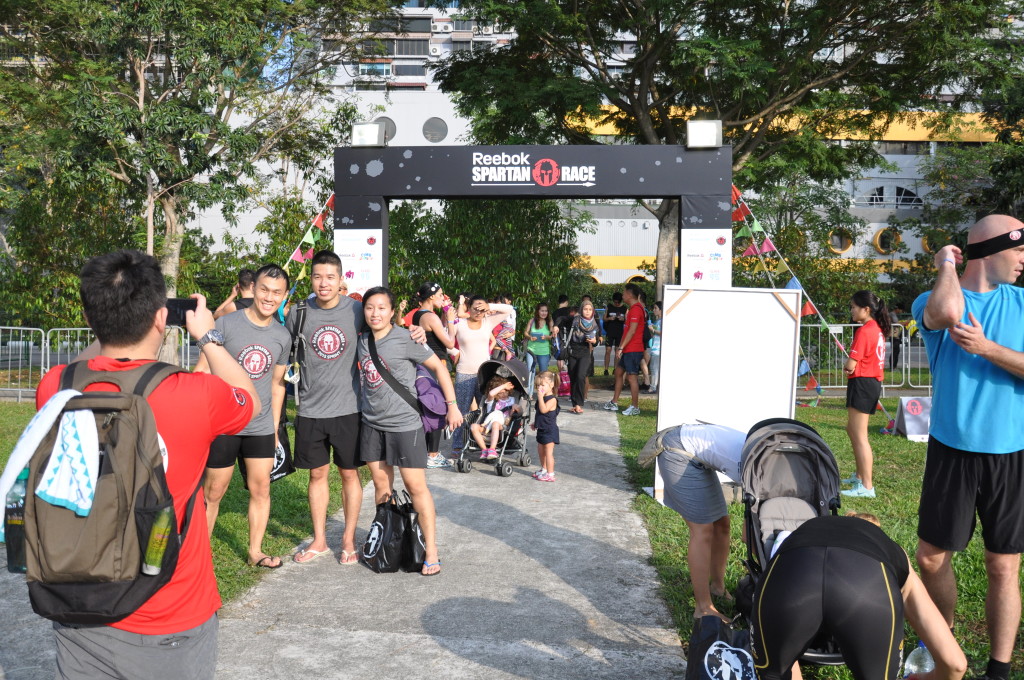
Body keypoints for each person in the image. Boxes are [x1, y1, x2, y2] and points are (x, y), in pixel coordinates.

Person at [36, 250, 258, 679]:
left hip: (79, 601)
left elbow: (83, 364)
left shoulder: (55, 388)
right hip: (168, 609)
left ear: (90, 315)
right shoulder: (195, 394)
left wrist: (109, 322)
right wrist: (207, 337)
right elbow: (246, 397)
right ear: (162, 317)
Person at [911, 214, 1024, 680]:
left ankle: (998, 670)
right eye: (1017, 250)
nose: (1023, 261)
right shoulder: (935, 295)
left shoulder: (1021, 303)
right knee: (931, 558)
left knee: (1002, 565)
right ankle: (945, 647)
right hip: (951, 449)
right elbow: (943, 314)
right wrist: (946, 265)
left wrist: (988, 348)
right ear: (989, 250)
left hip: (1010, 452)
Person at [751, 513, 967, 680]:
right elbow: (955, 665)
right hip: (867, 583)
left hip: (790, 574)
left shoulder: (801, 534)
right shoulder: (895, 554)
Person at [358, 287, 463, 576]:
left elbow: (440, 369)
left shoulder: (407, 338)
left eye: (382, 308)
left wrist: (452, 406)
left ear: (393, 312)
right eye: (369, 307)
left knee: (416, 487)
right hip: (372, 425)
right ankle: (388, 540)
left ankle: (431, 551)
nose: (375, 313)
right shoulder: (362, 340)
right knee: (381, 488)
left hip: (405, 427)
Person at [197, 264, 291, 569]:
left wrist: (275, 427)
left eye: (277, 292)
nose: (269, 297)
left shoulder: (282, 336)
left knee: (260, 488)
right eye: (264, 289)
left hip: (260, 425)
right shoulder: (226, 325)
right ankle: (199, 556)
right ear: (254, 289)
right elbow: (203, 371)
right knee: (214, 491)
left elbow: (277, 386)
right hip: (225, 423)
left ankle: (255, 551)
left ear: (284, 296)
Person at [284, 250, 366, 565]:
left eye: (330, 277)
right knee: (317, 473)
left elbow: (385, 329)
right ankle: (319, 539)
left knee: (349, 473)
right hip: (309, 409)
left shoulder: (357, 310)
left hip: (348, 408)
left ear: (341, 279)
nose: (323, 282)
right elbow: (282, 347)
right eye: (317, 276)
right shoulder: (299, 312)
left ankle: (348, 540)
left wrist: (412, 330)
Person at [649, 423, 745, 621]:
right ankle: (703, 608)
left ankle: (717, 587)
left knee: (722, 525)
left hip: (695, 452)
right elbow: (747, 534)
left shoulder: (775, 468)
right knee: (703, 530)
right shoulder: (760, 468)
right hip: (677, 450)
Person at [841, 290, 889, 499]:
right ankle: (860, 476)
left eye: (853, 307)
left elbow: (851, 364)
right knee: (852, 429)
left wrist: (848, 366)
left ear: (866, 309)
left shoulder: (865, 331)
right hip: (868, 382)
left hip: (863, 383)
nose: (851, 310)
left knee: (860, 435)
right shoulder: (875, 329)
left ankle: (867, 486)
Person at [450, 295, 513, 456]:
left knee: (485, 409)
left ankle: (483, 443)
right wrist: (455, 352)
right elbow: (446, 341)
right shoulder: (460, 323)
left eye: (481, 309)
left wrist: (487, 305)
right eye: (474, 308)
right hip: (464, 373)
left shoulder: (488, 321)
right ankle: (457, 444)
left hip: (484, 374)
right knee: (461, 410)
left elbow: (509, 309)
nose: (478, 312)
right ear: (468, 308)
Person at [411, 281, 459, 468]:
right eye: (440, 295)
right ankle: (433, 454)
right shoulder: (431, 317)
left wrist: (446, 318)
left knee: (426, 406)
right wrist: (452, 323)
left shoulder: (418, 315)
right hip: (436, 364)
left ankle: (425, 452)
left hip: (423, 364)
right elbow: (449, 343)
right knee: (438, 407)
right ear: (431, 297)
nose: (443, 298)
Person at [603, 283, 645, 416]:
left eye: (624, 292)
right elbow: (626, 331)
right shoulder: (631, 309)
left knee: (632, 378)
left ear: (629, 294)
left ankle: (635, 406)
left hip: (633, 349)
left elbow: (632, 331)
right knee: (619, 372)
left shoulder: (636, 309)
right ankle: (614, 402)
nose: (622, 295)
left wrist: (621, 347)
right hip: (627, 349)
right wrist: (620, 348)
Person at [469, 376, 522, 460]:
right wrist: (504, 386)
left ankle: (492, 449)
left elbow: (514, 413)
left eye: (505, 391)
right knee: (473, 426)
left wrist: (515, 407)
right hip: (487, 427)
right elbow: (491, 393)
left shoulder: (512, 399)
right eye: (500, 392)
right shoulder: (492, 401)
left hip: (503, 425)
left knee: (495, 423)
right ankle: (484, 450)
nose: (504, 394)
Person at [566, 299, 599, 414]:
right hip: (572, 352)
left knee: (581, 376)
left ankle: (579, 403)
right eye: (585, 309)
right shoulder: (575, 320)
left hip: (585, 352)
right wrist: (555, 326)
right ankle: (574, 404)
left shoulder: (594, 324)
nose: (588, 311)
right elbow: (560, 319)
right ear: (581, 310)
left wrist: (594, 341)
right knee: (573, 377)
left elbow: (597, 341)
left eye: (590, 309)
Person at [532, 371, 560, 482]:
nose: (540, 388)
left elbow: (543, 410)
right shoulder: (543, 398)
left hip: (550, 430)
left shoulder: (552, 400)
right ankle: (543, 469)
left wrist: (539, 397)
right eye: (538, 385)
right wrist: (536, 423)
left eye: (543, 385)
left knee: (548, 452)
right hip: (542, 428)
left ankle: (550, 473)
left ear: (551, 385)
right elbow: (539, 413)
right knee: (540, 450)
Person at [524, 302, 558, 382]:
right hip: (531, 350)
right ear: (538, 311)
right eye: (542, 311)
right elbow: (525, 332)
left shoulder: (549, 322)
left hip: (544, 352)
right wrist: (530, 337)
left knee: (543, 373)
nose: (544, 313)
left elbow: (552, 336)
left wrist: (547, 337)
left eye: (546, 311)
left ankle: (543, 391)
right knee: (530, 371)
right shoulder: (532, 321)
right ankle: (529, 392)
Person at [603, 292, 626, 375]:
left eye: (618, 302)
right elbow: (604, 318)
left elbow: (627, 320)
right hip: (610, 331)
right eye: (615, 302)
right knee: (608, 350)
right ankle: (606, 369)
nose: (616, 304)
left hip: (619, 332)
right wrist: (609, 318)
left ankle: (615, 368)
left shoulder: (624, 308)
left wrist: (622, 319)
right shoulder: (609, 307)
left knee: (617, 351)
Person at [646, 300, 662, 394]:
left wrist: (653, 330)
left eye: (656, 308)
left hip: (658, 349)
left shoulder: (662, 321)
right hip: (655, 348)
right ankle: (654, 386)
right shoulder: (658, 321)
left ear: (661, 310)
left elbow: (662, 333)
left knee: (654, 368)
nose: (654, 310)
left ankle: (653, 387)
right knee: (653, 368)